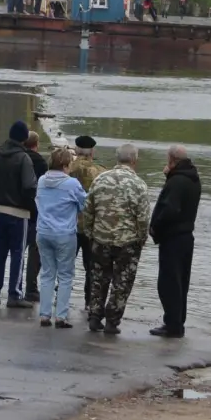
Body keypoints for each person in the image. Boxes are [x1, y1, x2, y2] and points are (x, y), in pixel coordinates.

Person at [82, 143, 150, 335]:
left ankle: (95, 316)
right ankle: (112, 321)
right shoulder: (139, 184)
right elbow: (143, 217)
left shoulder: (100, 179)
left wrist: (90, 232)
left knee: (98, 278)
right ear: (134, 160)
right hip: (127, 243)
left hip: (100, 238)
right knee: (122, 282)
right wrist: (142, 238)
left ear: (116, 158)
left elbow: (88, 209)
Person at [0, 120, 37, 308]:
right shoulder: (24, 159)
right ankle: (14, 295)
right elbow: (29, 186)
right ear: (24, 138)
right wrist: (29, 206)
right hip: (19, 214)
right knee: (18, 254)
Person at [149, 145, 202, 338]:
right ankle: (178, 322)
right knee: (181, 281)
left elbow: (170, 209)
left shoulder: (177, 181)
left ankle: (172, 325)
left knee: (169, 283)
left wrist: (156, 227)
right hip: (186, 237)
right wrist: (169, 177)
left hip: (173, 238)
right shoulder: (192, 178)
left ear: (171, 159)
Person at [34, 147, 87, 328]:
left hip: (43, 232)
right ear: (65, 164)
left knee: (47, 274)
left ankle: (44, 315)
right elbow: (83, 204)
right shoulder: (71, 183)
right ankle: (61, 316)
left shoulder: (41, 181)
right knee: (65, 276)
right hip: (64, 234)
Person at [68, 135, 105, 308]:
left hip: (69, 225)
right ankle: (89, 302)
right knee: (91, 267)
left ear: (75, 150)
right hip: (91, 227)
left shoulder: (66, 168)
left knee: (66, 265)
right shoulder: (100, 172)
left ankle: (62, 297)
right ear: (92, 152)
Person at [22, 130, 48, 302]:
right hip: (35, 211)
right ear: (36, 145)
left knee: (17, 251)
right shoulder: (41, 163)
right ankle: (31, 288)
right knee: (34, 251)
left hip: (14, 209)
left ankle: (10, 287)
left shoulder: (14, 158)